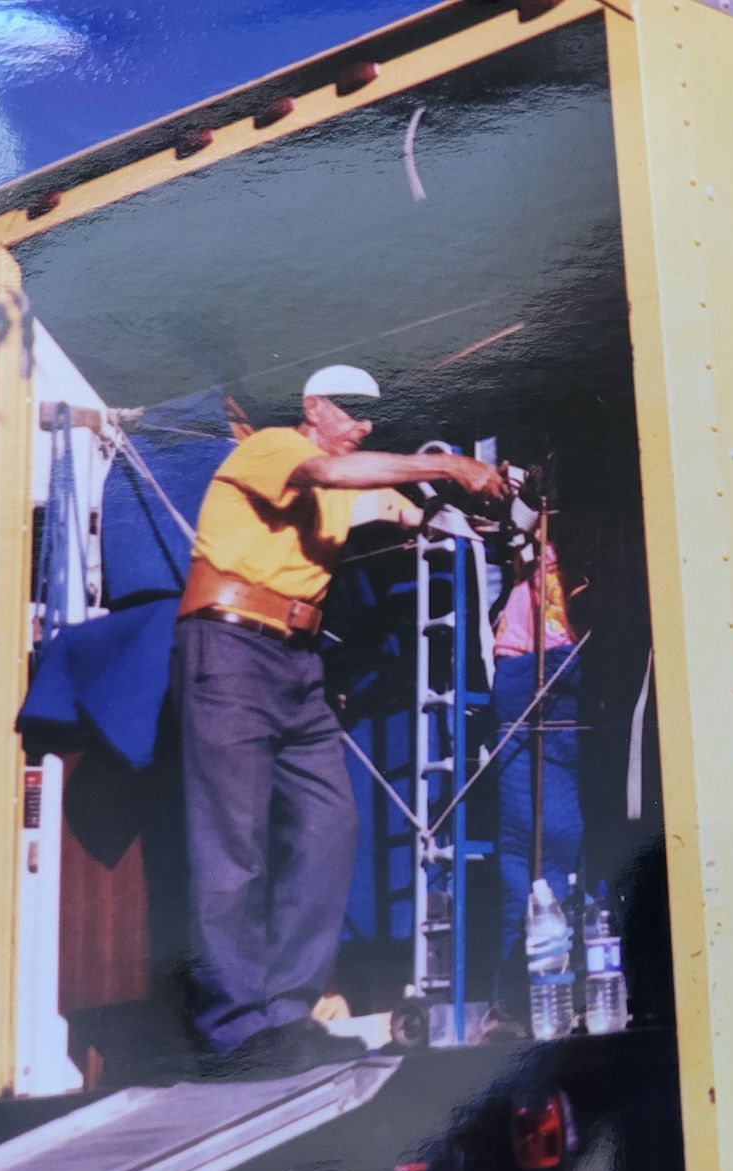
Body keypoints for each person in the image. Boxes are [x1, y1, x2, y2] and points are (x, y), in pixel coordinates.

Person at [173, 364, 508, 1077]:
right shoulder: (275, 448)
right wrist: (449, 466)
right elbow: (334, 472)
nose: (363, 424)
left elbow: (404, 510)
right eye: (351, 410)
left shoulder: (346, 485)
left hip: (297, 663)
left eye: (369, 416)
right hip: (229, 647)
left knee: (331, 825)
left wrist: (489, 503)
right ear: (313, 406)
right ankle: (235, 1031)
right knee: (234, 845)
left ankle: (288, 1014)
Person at [493, 533, 591, 1002]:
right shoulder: (538, 529)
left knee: (552, 843)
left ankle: (552, 988)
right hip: (529, 668)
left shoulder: (573, 535)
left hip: (552, 664)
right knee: (531, 842)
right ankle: (528, 995)